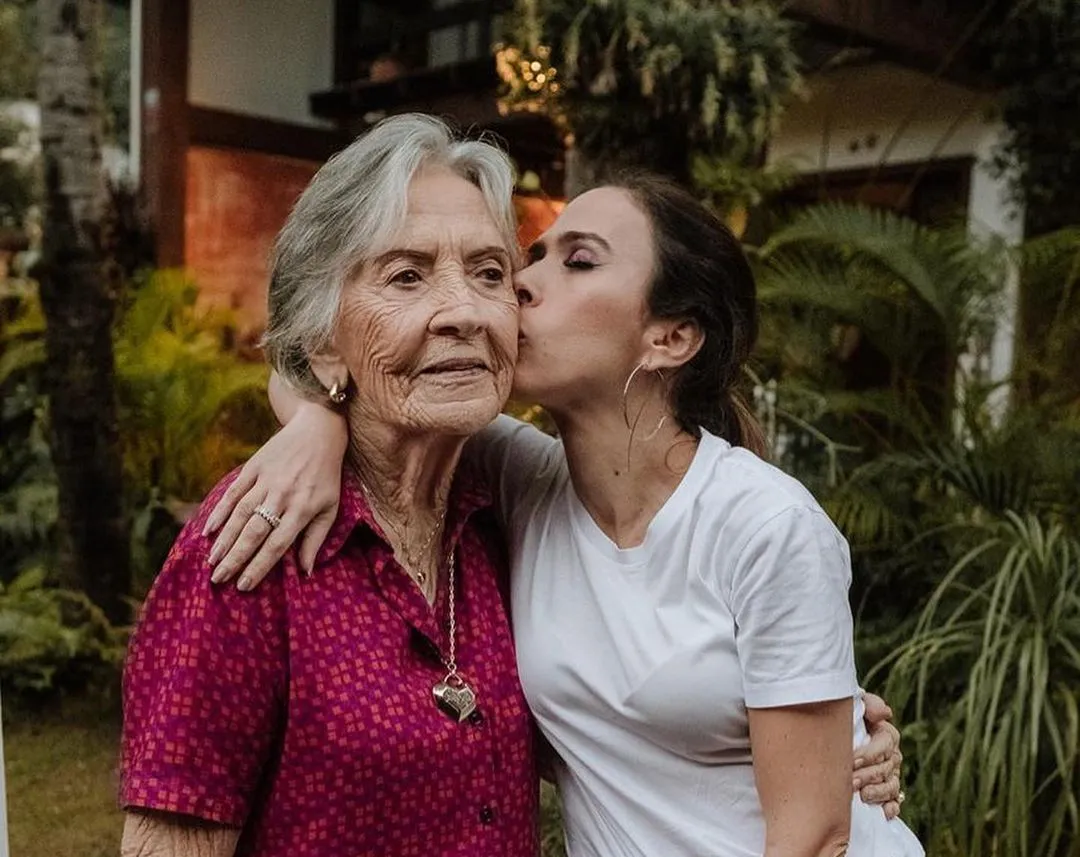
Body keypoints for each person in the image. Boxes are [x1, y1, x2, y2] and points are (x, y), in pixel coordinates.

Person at [204, 162, 917, 852]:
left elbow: (815, 836)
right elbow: (335, 362)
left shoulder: (765, 523)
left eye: (579, 262)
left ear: (669, 337)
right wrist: (315, 426)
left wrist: (839, 717)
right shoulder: (519, 480)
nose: (519, 285)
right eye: (529, 258)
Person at [119, 114, 537, 856]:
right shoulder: (252, 544)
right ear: (322, 342)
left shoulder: (499, 514)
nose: (467, 311)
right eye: (406, 275)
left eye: (490, 272)